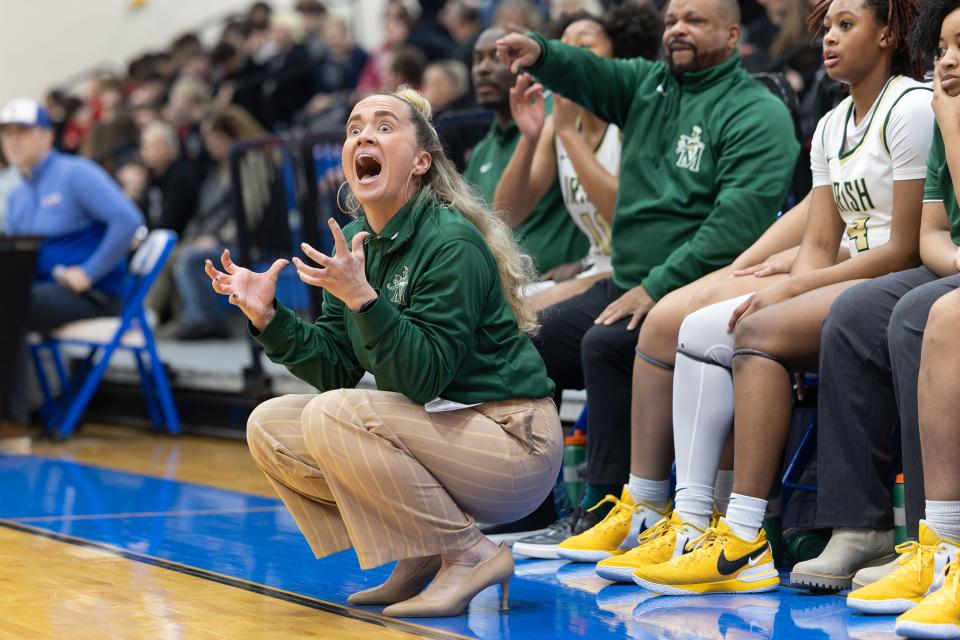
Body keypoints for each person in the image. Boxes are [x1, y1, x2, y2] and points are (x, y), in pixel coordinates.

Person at [210, 87, 562, 618]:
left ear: (422, 162)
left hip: (512, 442)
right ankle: (420, 548)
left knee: (338, 413)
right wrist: (269, 318)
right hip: (441, 432)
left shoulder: (450, 242)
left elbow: (422, 378)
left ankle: (471, 554)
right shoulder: (356, 242)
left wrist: (364, 299)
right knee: (272, 425)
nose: (363, 136)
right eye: (354, 128)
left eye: (383, 126)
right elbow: (336, 366)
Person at [629, 0, 932, 596]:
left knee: (756, 330)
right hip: (844, 277)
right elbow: (818, 243)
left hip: (894, 278)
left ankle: (746, 535)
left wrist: (790, 291)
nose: (829, 38)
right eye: (827, 27)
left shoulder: (912, 106)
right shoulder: (830, 122)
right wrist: (788, 298)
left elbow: (902, 249)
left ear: (890, 33)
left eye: (848, 25)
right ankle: (693, 522)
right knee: (700, 329)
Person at [496, 0, 799, 557]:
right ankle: (530, 511)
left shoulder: (757, 111)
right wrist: (540, 53)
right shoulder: (646, 85)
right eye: (672, 21)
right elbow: (590, 71)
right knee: (525, 345)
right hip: (630, 282)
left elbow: (735, 226)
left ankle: (615, 508)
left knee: (606, 344)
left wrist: (660, 283)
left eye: (695, 21)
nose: (678, 30)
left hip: (699, 287)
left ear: (733, 35)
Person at [793, 0, 960, 622]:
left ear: (887, 35)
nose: (946, 60)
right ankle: (872, 530)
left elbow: (910, 240)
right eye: (941, 48)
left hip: (918, 279)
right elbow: (936, 234)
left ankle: (938, 535)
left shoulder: (927, 112)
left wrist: (951, 126)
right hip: (944, 270)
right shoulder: (939, 113)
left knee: (916, 316)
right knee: (859, 313)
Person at [494, 4, 662, 311]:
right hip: (598, 269)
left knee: (521, 316)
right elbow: (506, 216)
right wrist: (529, 139)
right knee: (501, 310)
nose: (570, 60)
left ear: (616, 61)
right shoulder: (557, 128)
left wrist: (569, 134)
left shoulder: (628, 121)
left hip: (637, 271)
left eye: (584, 47)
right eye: (563, 49)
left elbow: (624, 218)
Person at [0, 98, 143, 425]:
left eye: (22, 131)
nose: (13, 140)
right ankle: (17, 410)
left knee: (8, 304)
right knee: (9, 298)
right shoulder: (17, 196)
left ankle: (12, 420)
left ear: (47, 137)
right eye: (7, 133)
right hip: (45, 292)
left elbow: (127, 219)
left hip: (94, 294)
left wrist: (89, 273)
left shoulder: (76, 173)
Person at [465, 27, 589, 276]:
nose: (483, 69)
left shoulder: (562, 114)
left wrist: (587, 263)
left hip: (562, 281)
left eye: (497, 58)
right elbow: (485, 226)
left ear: (528, 62)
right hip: (503, 288)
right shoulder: (481, 152)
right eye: (477, 59)